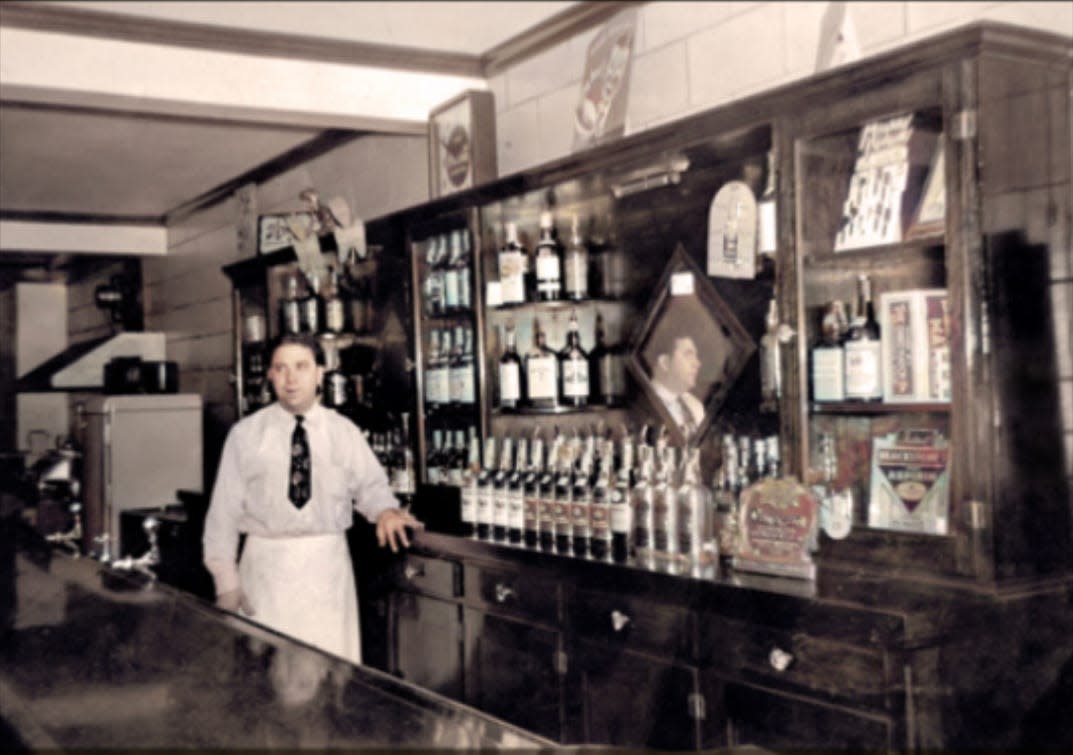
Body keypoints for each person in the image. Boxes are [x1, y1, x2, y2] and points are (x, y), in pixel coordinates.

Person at [203, 332, 419, 665]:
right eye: (281, 368)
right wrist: (226, 583)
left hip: (325, 576)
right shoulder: (245, 435)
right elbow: (223, 515)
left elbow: (372, 488)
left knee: (330, 684)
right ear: (270, 375)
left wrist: (386, 511)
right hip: (264, 575)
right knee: (266, 688)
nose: (291, 378)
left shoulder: (343, 432)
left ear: (320, 372)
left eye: (301, 366)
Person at [648, 330, 705, 439]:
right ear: (665, 363)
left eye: (696, 356)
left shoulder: (696, 406)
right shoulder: (645, 403)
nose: (697, 363)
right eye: (688, 355)